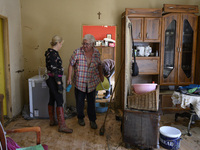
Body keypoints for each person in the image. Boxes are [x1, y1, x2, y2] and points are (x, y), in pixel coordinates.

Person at [67, 34, 104, 129]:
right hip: (80, 81)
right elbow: (71, 64)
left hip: (92, 81)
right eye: (83, 43)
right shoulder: (77, 52)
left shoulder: (96, 53)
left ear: (92, 44)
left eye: (87, 44)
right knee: (80, 102)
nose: (85, 46)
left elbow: (99, 65)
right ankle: (80, 118)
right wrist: (69, 78)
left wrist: (101, 76)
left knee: (91, 102)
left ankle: (92, 120)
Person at [45, 35, 73, 133]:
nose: (61, 45)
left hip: (51, 79)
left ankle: (52, 121)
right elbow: (54, 70)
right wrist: (59, 83)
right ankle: (62, 126)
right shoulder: (53, 54)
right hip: (54, 80)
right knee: (60, 100)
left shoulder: (50, 52)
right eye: (61, 43)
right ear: (57, 43)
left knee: (52, 99)